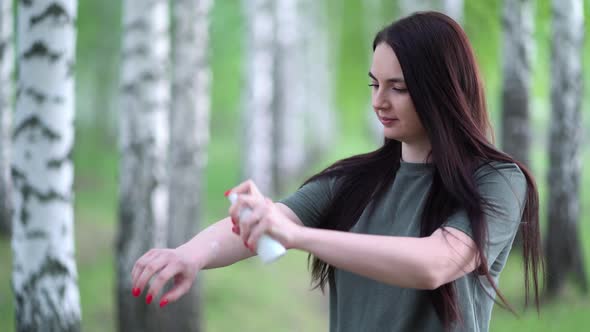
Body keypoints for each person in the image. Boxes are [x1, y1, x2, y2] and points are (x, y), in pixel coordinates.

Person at [130, 11, 543, 332]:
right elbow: (273, 219)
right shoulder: (355, 181)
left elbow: (435, 263)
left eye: (397, 87)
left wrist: (298, 238)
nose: (379, 101)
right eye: (373, 84)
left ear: (443, 89)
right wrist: (189, 255)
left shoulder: (498, 180)